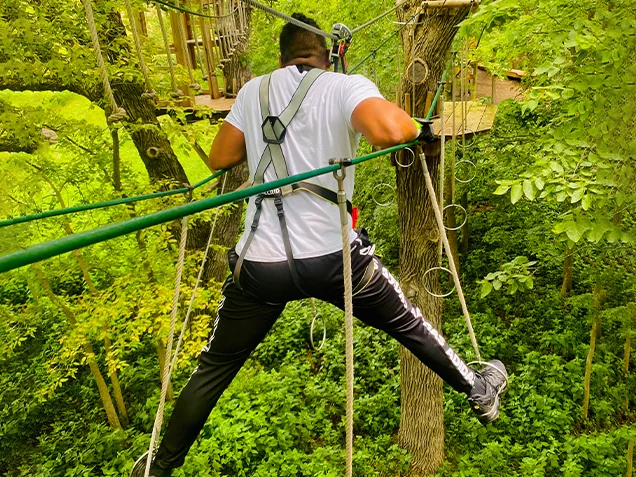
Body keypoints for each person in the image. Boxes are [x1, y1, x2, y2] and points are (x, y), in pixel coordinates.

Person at [132, 13, 507, 477]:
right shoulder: (343, 86)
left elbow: (222, 156)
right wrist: (413, 124)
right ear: (327, 56)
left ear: (282, 56)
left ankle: (158, 467)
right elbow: (391, 131)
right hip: (334, 259)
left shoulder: (255, 91)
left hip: (259, 264)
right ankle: (477, 388)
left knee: (213, 369)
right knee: (408, 322)